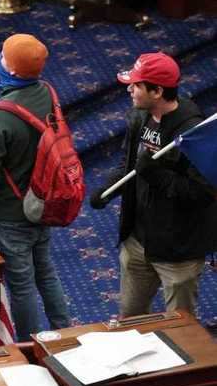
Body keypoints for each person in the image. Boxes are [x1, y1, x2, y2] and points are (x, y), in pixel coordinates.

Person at [90, 52, 217, 317]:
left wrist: (156, 174)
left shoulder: (193, 134)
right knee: (130, 320)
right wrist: (109, 187)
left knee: (180, 330)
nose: (129, 89)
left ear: (157, 91)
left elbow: (201, 193)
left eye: (136, 85)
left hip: (178, 250)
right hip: (138, 242)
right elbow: (129, 164)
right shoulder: (140, 116)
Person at [0, 33, 71, 341]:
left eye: (2, 55)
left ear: (10, 70)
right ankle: (65, 332)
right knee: (46, 272)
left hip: (11, 215)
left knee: (22, 285)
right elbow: (24, 127)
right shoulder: (48, 92)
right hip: (44, 203)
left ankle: (29, 346)